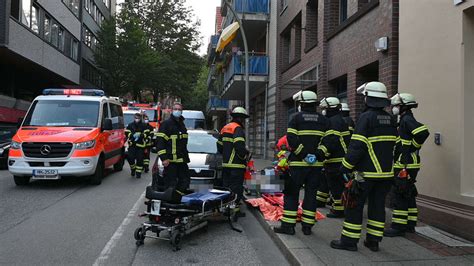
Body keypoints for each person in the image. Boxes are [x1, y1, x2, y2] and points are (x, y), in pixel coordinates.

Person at [330, 82, 398, 252]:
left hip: (364, 174)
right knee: (377, 206)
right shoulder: (390, 118)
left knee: (354, 205)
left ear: (369, 98)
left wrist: (345, 167)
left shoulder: (366, 118)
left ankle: (349, 242)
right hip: (386, 175)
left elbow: (357, 147)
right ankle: (373, 241)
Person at [273, 90, 329, 236]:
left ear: (302, 104)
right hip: (316, 166)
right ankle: (307, 226)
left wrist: (303, 155)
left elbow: (291, 138)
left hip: (297, 165)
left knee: (291, 194)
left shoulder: (295, 118)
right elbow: (329, 141)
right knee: (311, 195)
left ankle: (288, 226)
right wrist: (317, 155)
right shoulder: (324, 121)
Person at [384, 93, 429, 237]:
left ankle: (398, 226)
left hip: (405, 164)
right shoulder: (404, 119)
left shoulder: (407, 119)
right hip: (409, 164)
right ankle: (410, 224)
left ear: (403, 106)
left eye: (396, 105)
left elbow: (423, 132)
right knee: (408, 193)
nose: (393, 108)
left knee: (400, 194)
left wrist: (411, 148)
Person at [317, 97, 351, 218]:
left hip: (336, 160)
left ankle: (338, 210)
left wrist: (321, 154)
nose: (323, 111)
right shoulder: (338, 120)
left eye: (324, 108)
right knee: (335, 185)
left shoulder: (333, 122)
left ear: (330, 108)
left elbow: (331, 141)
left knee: (336, 186)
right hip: (338, 159)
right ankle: (338, 208)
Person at [217, 107, 250, 217]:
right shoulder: (237, 128)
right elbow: (239, 146)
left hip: (226, 164)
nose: (244, 121)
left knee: (226, 188)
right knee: (236, 188)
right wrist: (245, 154)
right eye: (243, 119)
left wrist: (226, 155)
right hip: (236, 165)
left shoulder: (225, 128)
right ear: (240, 118)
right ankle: (234, 211)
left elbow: (219, 146)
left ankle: (226, 209)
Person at [156, 102, 190, 193]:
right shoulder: (166, 124)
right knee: (171, 184)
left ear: (182, 111)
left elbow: (183, 144)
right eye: (175, 109)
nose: (177, 111)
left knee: (185, 181)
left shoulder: (182, 125)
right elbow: (160, 143)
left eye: (179, 109)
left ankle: (177, 199)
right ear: (171, 111)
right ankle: (169, 203)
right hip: (170, 161)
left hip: (182, 160)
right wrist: (164, 158)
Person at [125, 113, 147, 178]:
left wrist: (140, 135)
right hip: (132, 145)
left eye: (138, 118)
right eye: (135, 118)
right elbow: (127, 132)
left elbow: (146, 133)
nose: (136, 119)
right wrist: (132, 135)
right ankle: (133, 169)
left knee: (139, 159)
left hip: (140, 145)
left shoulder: (144, 125)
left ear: (140, 118)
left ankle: (138, 172)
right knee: (130, 157)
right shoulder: (130, 125)